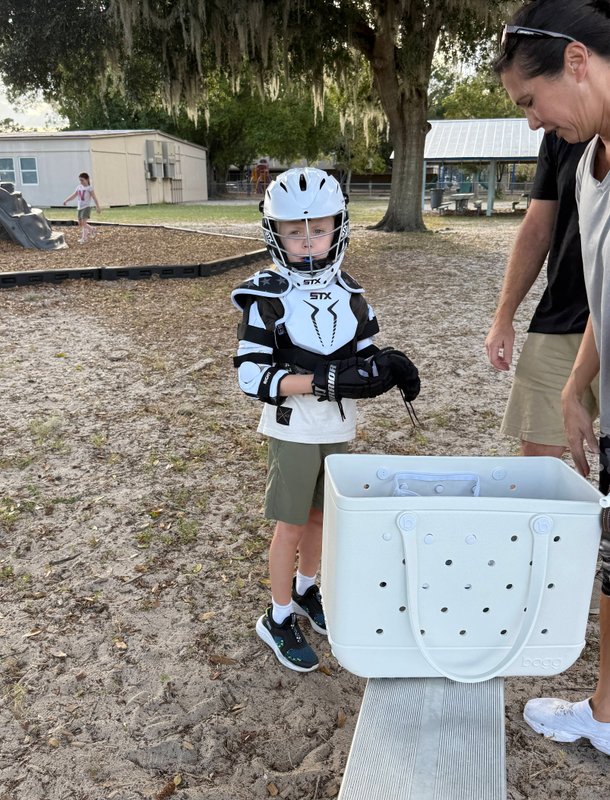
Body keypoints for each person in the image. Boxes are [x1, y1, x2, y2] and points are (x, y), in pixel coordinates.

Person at [231, 167, 419, 672]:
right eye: (295, 231)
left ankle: (306, 590)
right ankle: (277, 616)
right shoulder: (266, 296)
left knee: (321, 517)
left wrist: (384, 367)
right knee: (290, 525)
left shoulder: (352, 293)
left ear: (339, 226)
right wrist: (320, 383)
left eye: (319, 228)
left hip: (339, 428)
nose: (309, 241)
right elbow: (251, 376)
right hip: (294, 429)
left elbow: (362, 354)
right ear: (275, 233)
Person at [495, 0, 610, 756]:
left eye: (529, 103)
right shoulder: (593, 162)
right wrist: (574, 387)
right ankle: (603, 711)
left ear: (575, 60)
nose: (531, 122)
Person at [485, 132, 598, 458]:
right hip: (560, 314)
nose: (532, 122)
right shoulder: (559, 134)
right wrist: (504, 316)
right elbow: (537, 226)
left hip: (604, 317)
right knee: (536, 457)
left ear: (576, 75)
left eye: (531, 102)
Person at [63, 172, 101, 244]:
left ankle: (84, 238)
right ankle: (92, 229)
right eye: (80, 180)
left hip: (86, 207)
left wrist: (97, 206)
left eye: (82, 180)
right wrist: (66, 200)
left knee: (84, 223)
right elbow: (74, 195)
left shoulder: (89, 188)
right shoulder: (79, 187)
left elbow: (94, 197)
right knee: (80, 224)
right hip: (79, 208)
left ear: (87, 179)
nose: (81, 182)